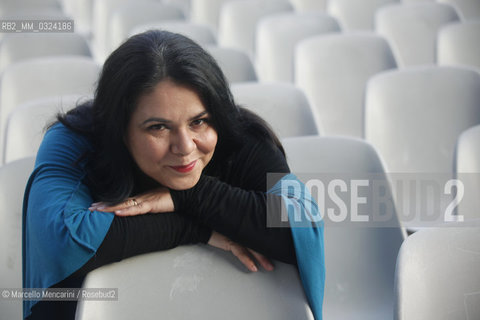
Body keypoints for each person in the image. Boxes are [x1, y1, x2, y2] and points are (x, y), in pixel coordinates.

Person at [22, 30, 324, 319]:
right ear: (120, 131)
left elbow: (301, 227)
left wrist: (191, 196)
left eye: (199, 122)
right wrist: (194, 229)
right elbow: (62, 241)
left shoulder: (238, 135)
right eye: (158, 127)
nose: (184, 147)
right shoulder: (77, 138)